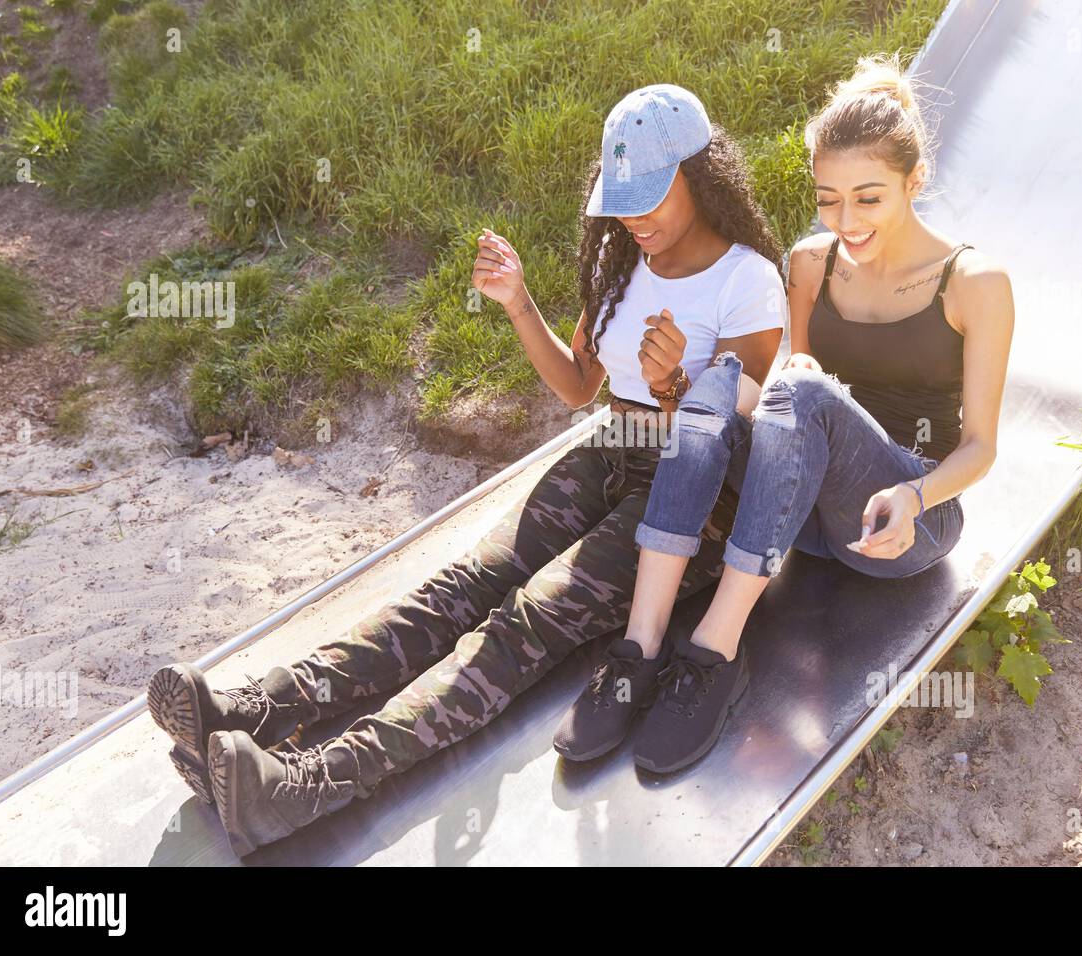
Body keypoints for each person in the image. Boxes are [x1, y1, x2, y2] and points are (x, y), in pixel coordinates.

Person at [146, 83, 787, 856]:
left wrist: (678, 386)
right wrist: (519, 303)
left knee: (523, 620)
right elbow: (580, 386)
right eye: (621, 201)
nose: (633, 218)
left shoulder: (746, 279)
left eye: (650, 197)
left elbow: (737, 427)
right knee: (458, 587)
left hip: (690, 497)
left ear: (702, 173)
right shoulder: (623, 261)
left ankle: (307, 787)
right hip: (608, 449)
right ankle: (258, 709)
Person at [555, 53, 1015, 774]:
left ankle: (714, 651)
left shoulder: (975, 281)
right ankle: (638, 648)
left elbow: (983, 447)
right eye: (828, 199)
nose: (846, 220)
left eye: (869, 198)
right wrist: (703, 387)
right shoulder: (808, 264)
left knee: (798, 391)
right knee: (723, 382)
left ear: (913, 182)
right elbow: (780, 398)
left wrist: (913, 493)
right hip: (805, 518)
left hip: (906, 521)